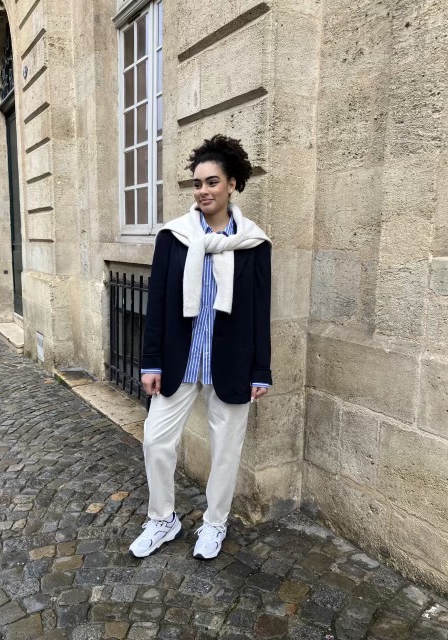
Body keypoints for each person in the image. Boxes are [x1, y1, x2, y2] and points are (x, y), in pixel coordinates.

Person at [129, 134, 272, 560]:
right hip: (180, 360)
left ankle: (214, 524)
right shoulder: (173, 236)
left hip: (231, 363)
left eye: (212, 182)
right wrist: (150, 361)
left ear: (232, 185)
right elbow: (157, 305)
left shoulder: (253, 242)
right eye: (197, 183)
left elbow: (260, 310)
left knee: (226, 450)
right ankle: (163, 519)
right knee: (156, 440)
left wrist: (260, 369)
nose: (203, 191)